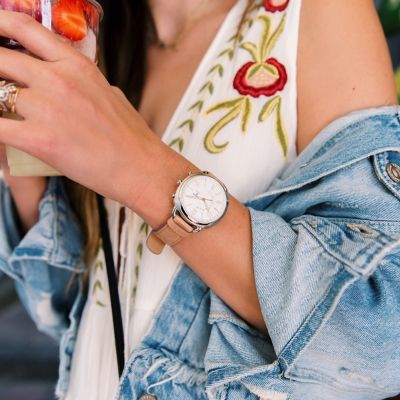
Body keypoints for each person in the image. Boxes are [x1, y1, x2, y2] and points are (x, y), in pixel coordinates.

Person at [0, 0, 399, 399]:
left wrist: (141, 172)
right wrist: (17, 149)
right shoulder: (92, 34)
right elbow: (65, 310)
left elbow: (381, 341)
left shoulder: (316, 13)